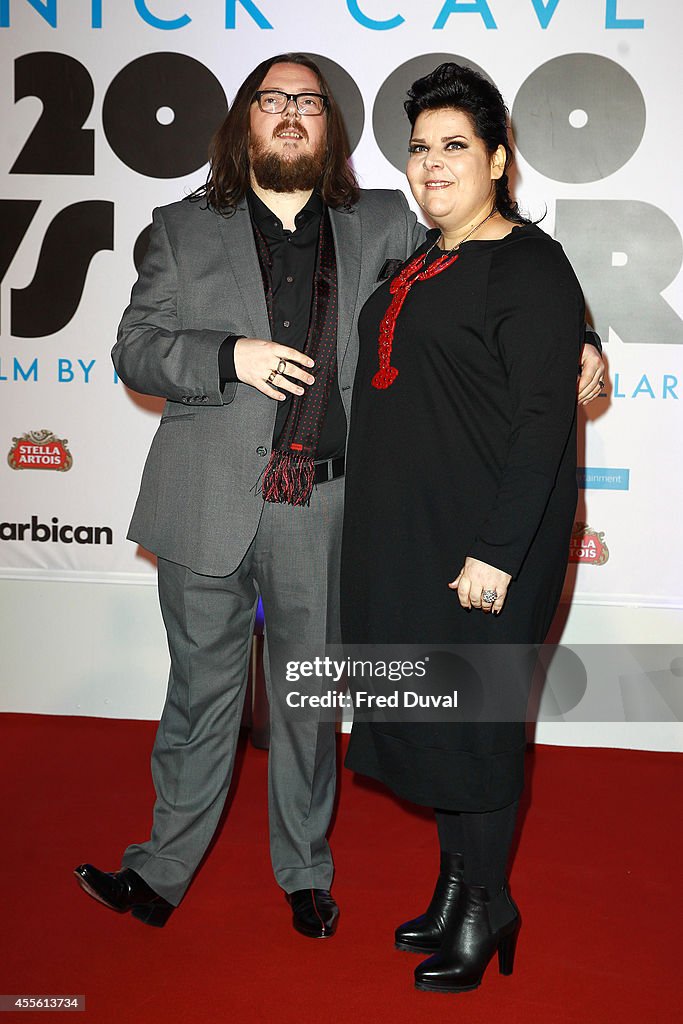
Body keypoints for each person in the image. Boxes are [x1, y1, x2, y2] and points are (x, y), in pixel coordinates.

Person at [74, 53, 604, 938]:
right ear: (245, 122)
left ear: (331, 130)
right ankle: (160, 871)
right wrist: (222, 356)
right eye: (271, 100)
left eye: (308, 103)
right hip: (203, 501)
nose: (289, 113)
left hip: (325, 510)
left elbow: (497, 254)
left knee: (311, 705)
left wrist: (582, 336)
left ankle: (304, 872)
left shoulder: (387, 220)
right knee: (198, 697)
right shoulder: (178, 228)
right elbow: (134, 349)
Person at [341, 62, 593, 991]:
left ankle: (490, 906)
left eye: (454, 146)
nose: (431, 163)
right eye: (418, 148)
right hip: (410, 539)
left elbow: (539, 421)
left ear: (496, 158)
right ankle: (456, 886)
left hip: (483, 545)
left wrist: (495, 552)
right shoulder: (423, 254)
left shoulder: (528, 261)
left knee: (476, 726)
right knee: (437, 721)